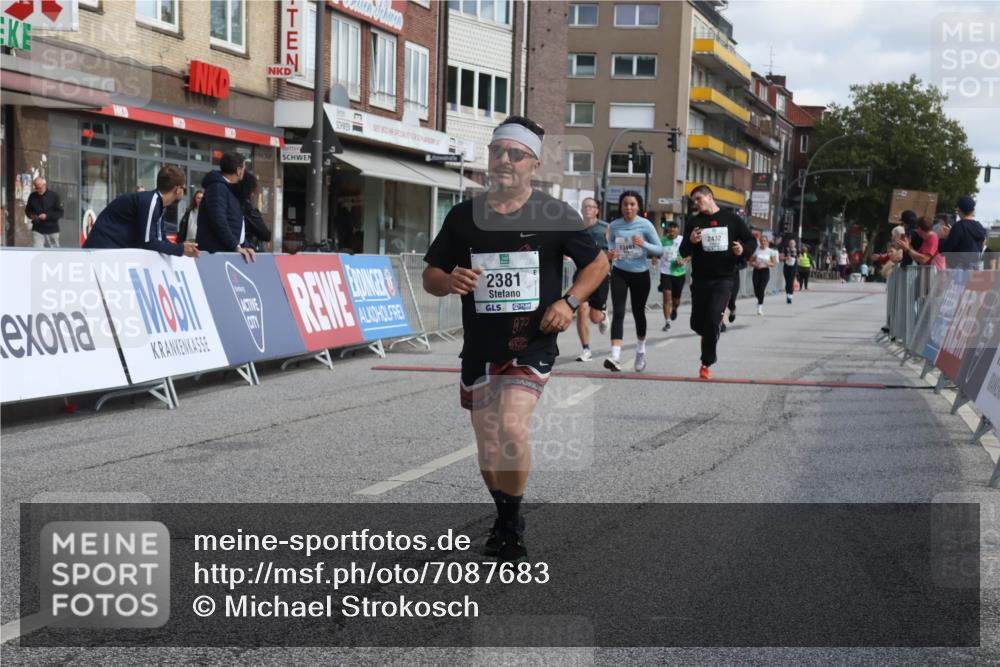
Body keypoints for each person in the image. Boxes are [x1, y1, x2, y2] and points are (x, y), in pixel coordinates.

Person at [422, 116, 608, 562]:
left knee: (510, 426)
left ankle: (512, 519)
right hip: (481, 346)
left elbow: (598, 264)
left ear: (533, 164)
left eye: (515, 154)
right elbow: (430, 275)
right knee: (488, 442)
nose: (503, 160)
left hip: (533, 342)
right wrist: (450, 280)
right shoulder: (464, 215)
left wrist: (567, 302)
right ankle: (505, 513)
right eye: (497, 152)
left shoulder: (553, 214)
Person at [679, 185, 756, 379]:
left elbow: (750, 242)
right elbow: (683, 252)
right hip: (700, 280)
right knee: (698, 325)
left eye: (698, 199)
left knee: (712, 321)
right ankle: (711, 331)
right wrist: (690, 241)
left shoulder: (732, 220)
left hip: (724, 279)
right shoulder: (694, 222)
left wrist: (742, 250)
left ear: (710, 196)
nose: (695, 203)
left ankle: (706, 362)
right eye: (693, 201)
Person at [604, 191, 663, 372]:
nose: (628, 207)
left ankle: (640, 351)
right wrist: (611, 254)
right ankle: (615, 356)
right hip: (620, 272)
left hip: (640, 274)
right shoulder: (614, 225)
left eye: (632, 204)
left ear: (638, 207)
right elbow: (611, 246)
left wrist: (643, 244)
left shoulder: (645, 225)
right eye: (625, 204)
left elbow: (659, 250)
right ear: (620, 206)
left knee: (638, 313)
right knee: (619, 312)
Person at [83, 165, 198, 257]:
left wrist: (181, 247)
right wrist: (180, 249)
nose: (184, 192)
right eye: (184, 189)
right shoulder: (151, 202)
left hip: (108, 252)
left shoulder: (158, 203)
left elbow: (160, 239)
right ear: (177, 190)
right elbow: (148, 242)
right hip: (99, 252)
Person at [197, 151, 256, 263]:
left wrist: (243, 245)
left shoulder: (228, 188)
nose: (244, 171)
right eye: (244, 168)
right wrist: (236, 246)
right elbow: (219, 221)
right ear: (238, 170)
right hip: (216, 256)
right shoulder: (217, 188)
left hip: (226, 252)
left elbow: (234, 222)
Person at [574, 197, 611, 361]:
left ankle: (603, 315)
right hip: (582, 274)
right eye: (585, 206)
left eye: (591, 206)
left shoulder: (605, 228)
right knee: (581, 309)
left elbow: (615, 247)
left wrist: (610, 255)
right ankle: (586, 349)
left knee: (595, 318)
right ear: (581, 210)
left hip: (600, 275)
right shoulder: (575, 229)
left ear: (597, 210)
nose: (588, 209)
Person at [939, 195, 986, 270]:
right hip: (975, 268)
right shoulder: (979, 227)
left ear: (958, 209)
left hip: (960, 270)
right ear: (973, 209)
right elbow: (981, 245)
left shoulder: (959, 226)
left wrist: (942, 238)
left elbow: (944, 250)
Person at [657, 220, 689, 331]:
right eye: (669, 231)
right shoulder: (662, 241)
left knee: (676, 300)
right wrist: (654, 258)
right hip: (666, 272)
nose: (671, 233)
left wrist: (684, 260)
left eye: (673, 230)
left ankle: (675, 308)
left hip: (679, 273)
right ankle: (667, 322)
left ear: (677, 230)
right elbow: (657, 252)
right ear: (667, 231)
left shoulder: (682, 240)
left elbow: (690, 255)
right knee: (666, 298)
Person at [236, 171, 272, 252]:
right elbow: (265, 234)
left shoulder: (231, 202)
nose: (253, 194)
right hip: (247, 250)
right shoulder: (248, 208)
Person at [25, 177, 64, 248]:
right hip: (37, 230)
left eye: (40, 187)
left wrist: (47, 216)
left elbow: (60, 213)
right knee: (36, 251)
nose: (38, 190)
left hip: (52, 230)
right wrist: (32, 216)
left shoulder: (54, 196)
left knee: (53, 254)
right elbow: (27, 210)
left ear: (44, 185)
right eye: (36, 188)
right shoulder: (32, 196)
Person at [750, 234, 778, 315]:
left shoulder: (770, 251)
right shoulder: (756, 250)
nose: (763, 242)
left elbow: (774, 263)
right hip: (756, 271)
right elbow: (750, 261)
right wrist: (754, 264)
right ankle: (759, 300)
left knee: (761, 289)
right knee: (756, 291)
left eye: (764, 241)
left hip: (765, 271)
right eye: (761, 241)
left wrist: (767, 263)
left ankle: (760, 308)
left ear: (767, 242)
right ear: (759, 242)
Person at [780, 239, 799, 304]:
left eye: (793, 243)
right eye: (790, 243)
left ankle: (790, 297)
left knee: (791, 282)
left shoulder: (797, 250)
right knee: (787, 282)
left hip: (793, 268)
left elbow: (800, 258)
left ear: (795, 244)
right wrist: (786, 258)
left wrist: (798, 259)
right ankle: (788, 294)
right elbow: (781, 258)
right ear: (789, 244)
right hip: (786, 268)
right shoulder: (785, 250)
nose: (791, 244)